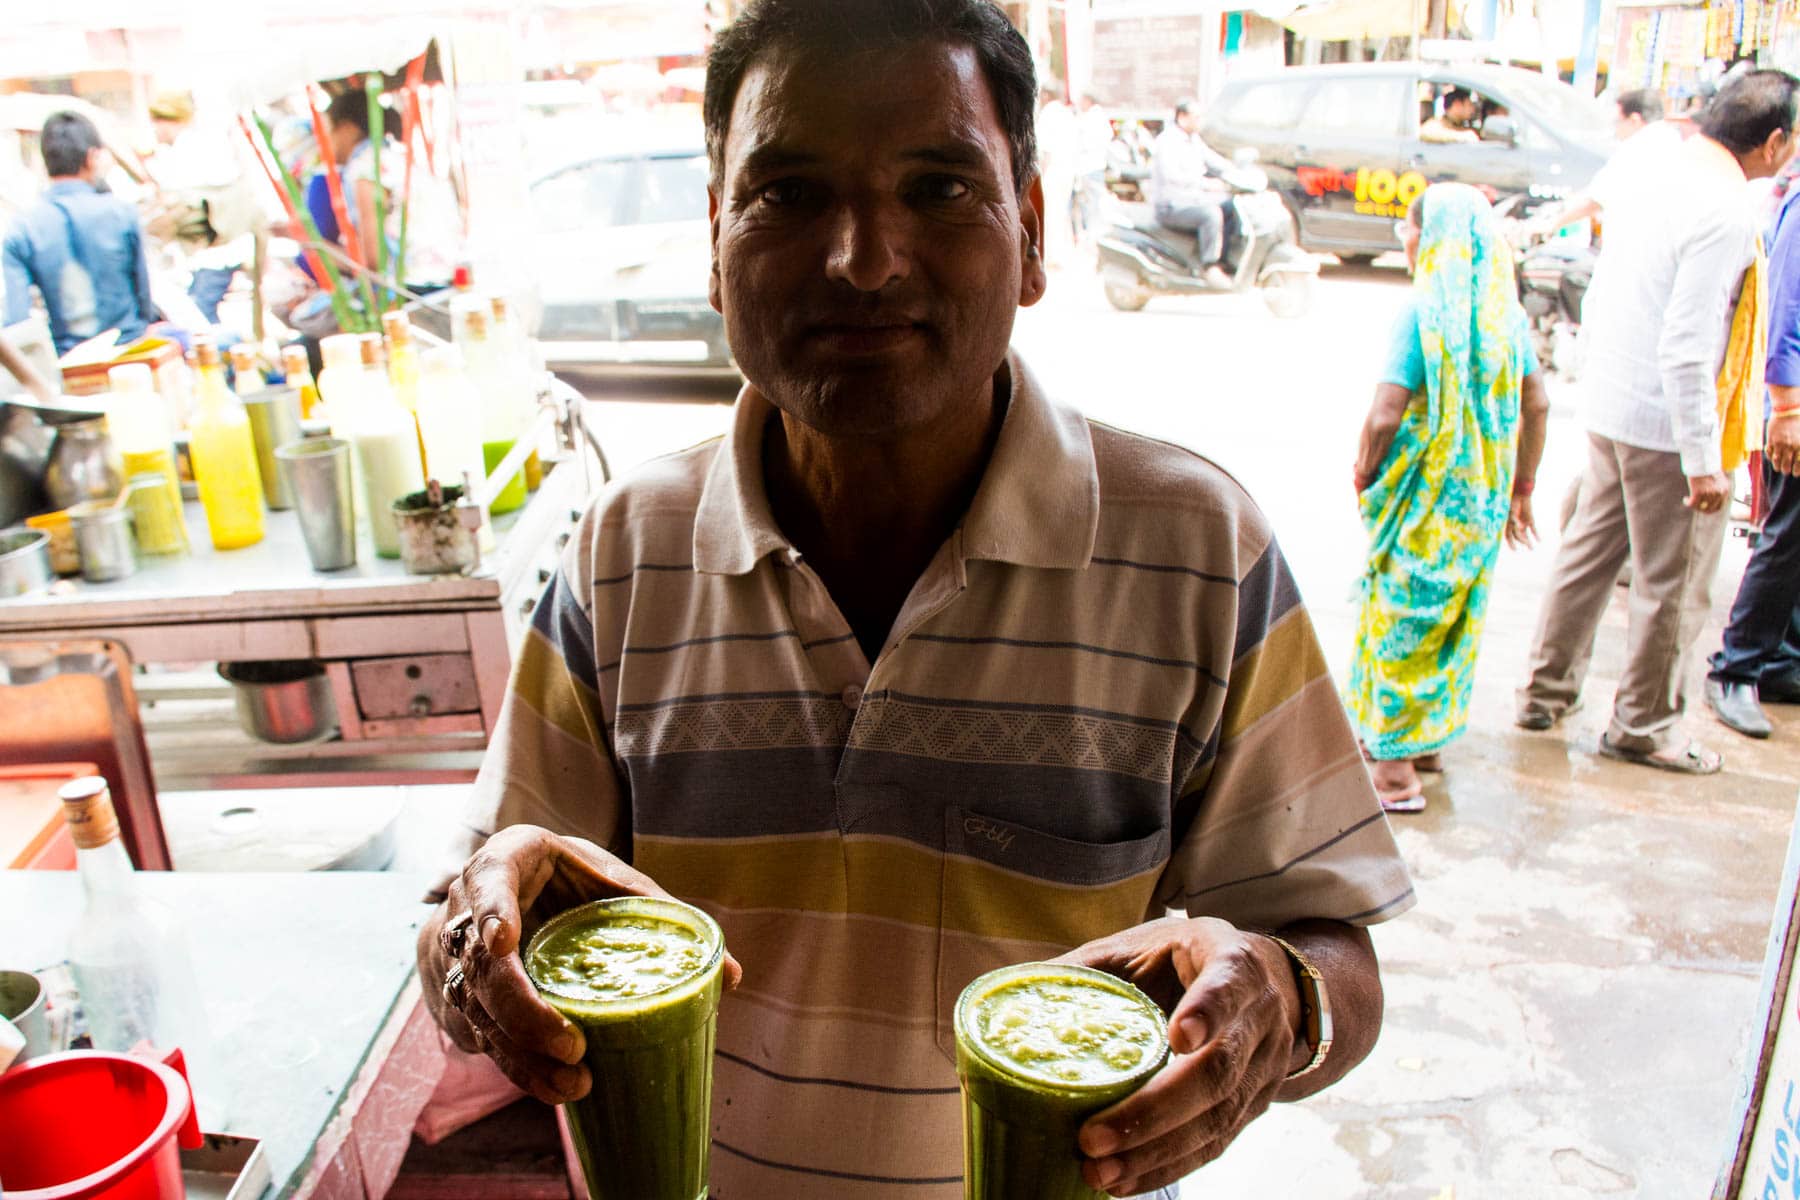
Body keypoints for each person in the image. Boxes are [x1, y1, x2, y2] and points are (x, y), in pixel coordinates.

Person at [417, 2, 1415, 1196]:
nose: (864, 260)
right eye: (789, 193)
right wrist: (470, 948)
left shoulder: (1201, 552)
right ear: (716, 238)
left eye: (939, 189)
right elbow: (472, 919)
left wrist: (1279, 1002)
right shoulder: (626, 553)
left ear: (1033, 234)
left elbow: (1332, 948)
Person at [1516, 69, 1800, 774]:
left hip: (1616, 401)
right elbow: (1689, 342)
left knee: (1587, 558)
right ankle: (1645, 725)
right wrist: (1705, 461)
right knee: (1672, 588)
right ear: (1772, 142)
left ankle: (1544, 692)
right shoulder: (1728, 209)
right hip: (1667, 424)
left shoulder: (1655, 165)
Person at [1349, 184, 1550, 812]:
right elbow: (1538, 403)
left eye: (1407, 232)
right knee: (1449, 621)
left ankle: (1393, 774)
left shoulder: (1421, 313)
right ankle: (1423, 743)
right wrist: (1522, 486)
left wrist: (1363, 470)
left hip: (1423, 504)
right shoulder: (1506, 316)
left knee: (1399, 625)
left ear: (1426, 237)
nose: (1404, 243)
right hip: (1481, 503)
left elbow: (1386, 412)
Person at [1705, 159, 1800, 738]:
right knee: (1786, 538)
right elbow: (1784, 314)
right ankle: (1734, 668)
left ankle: (1782, 660)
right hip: (1794, 408)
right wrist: (1787, 409)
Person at [3, 112, 156, 356]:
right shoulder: (122, 213)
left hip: (71, 364)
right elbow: (145, 300)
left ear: (45, 161)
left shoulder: (22, 229)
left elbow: (17, 322)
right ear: (92, 157)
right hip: (132, 354)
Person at [1538, 89, 1683, 235]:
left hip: (1637, 242)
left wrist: (1553, 224)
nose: (1616, 129)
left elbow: (1594, 200)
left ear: (1634, 120)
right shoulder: (1674, 141)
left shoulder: (1638, 147)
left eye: (1618, 121)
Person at [1150, 98, 1231, 288]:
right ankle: (1209, 266)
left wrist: (1236, 172)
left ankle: (1225, 260)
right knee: (1211, 215)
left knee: (1229, 207)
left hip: (1193, 199)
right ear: (1182, 117)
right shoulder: (1168, 141)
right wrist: (1206, 184)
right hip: (1171, 204)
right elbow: (1172, 176)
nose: (1200, 122)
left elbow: (1214, 161)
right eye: (1196, 117)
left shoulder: (1194, 140)